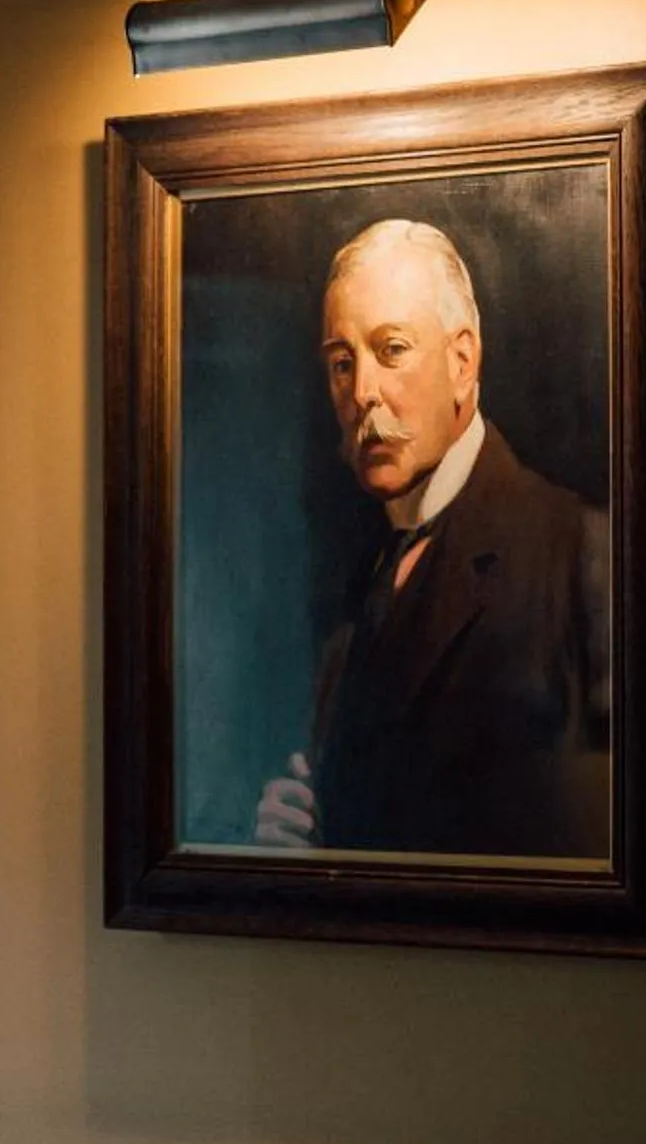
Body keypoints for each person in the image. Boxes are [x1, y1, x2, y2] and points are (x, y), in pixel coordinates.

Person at [252, 219, 610, 858]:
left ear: (463, 362)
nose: (363, 393)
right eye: (342, 362)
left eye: (392, 350)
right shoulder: (359, 578)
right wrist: (304, 838)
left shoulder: (580, 551)